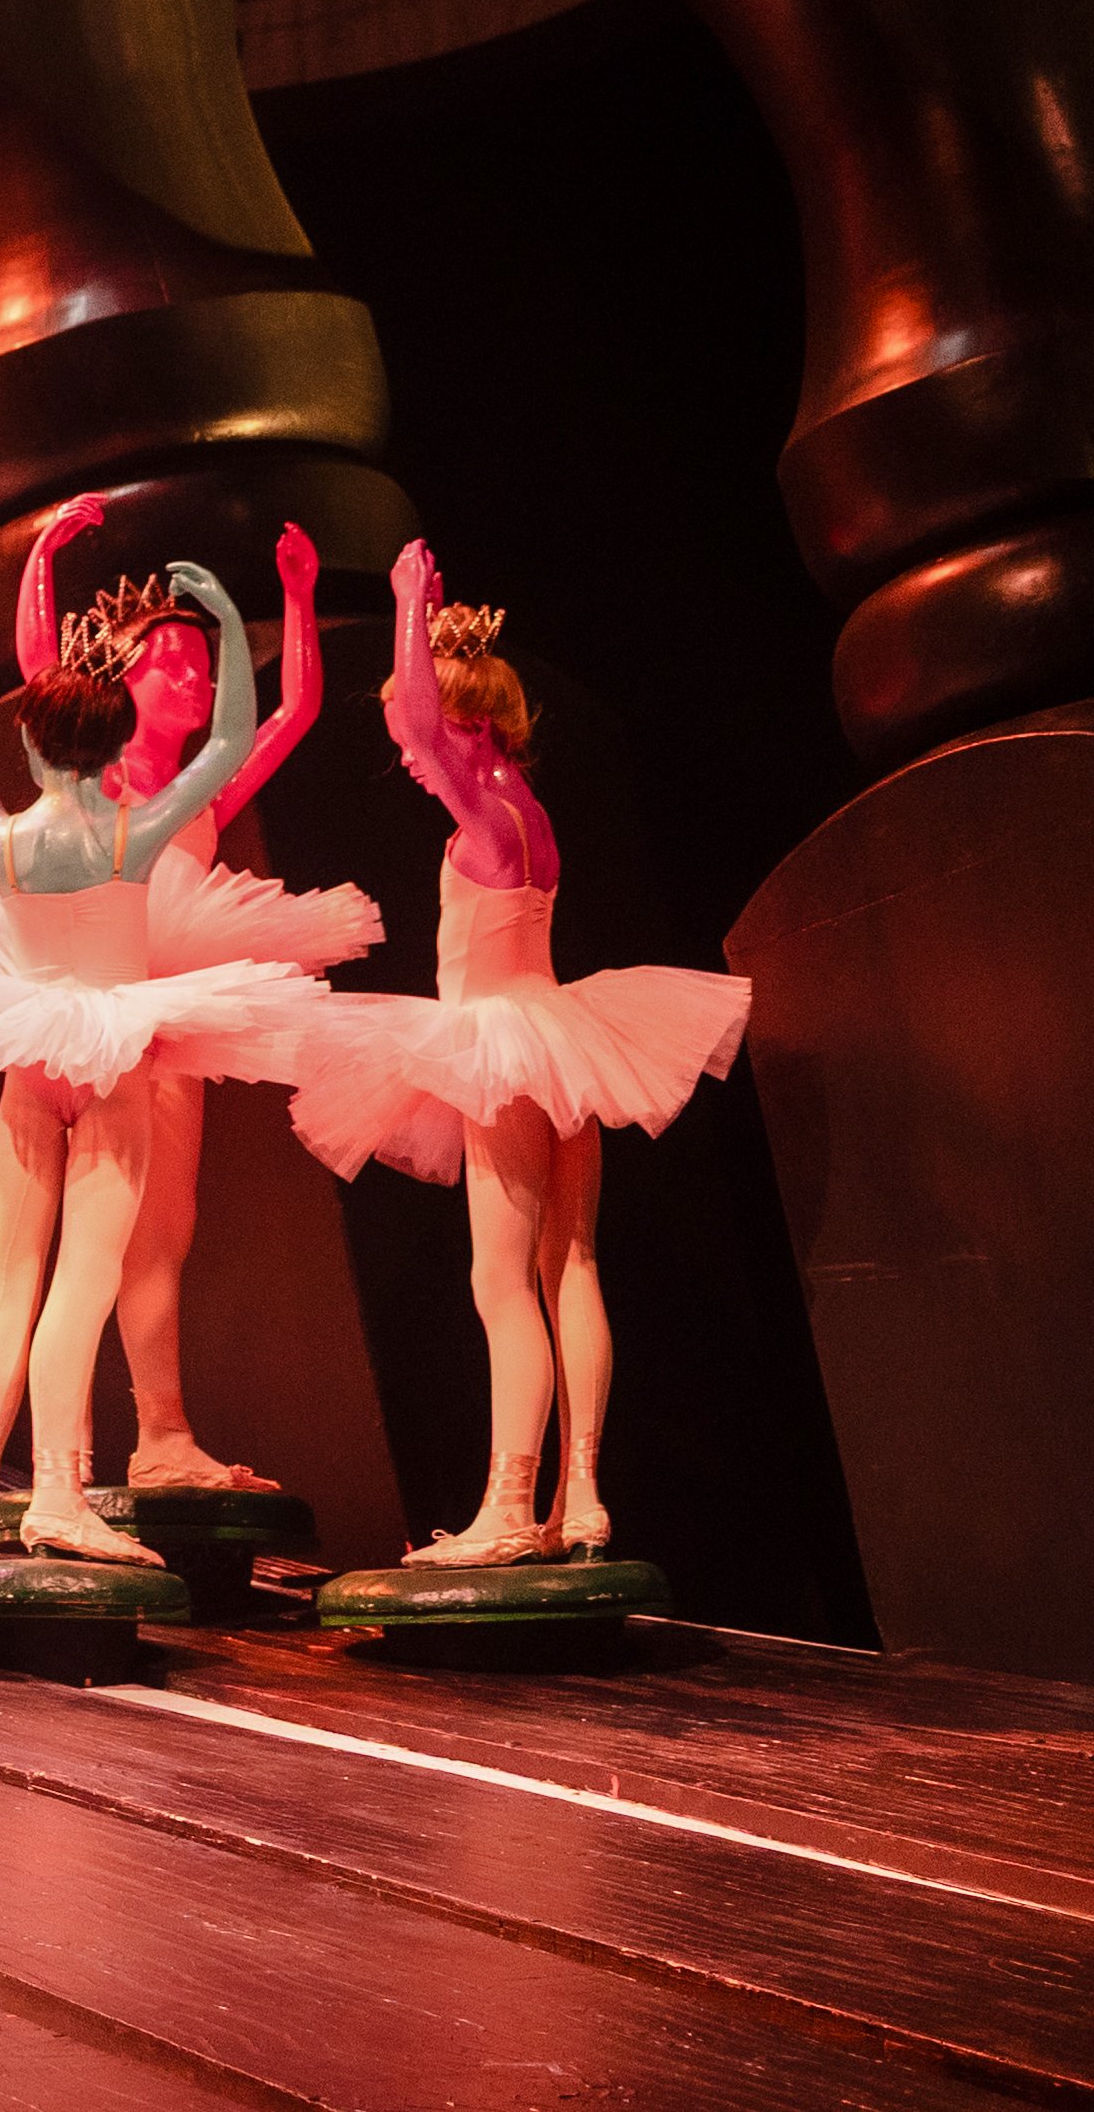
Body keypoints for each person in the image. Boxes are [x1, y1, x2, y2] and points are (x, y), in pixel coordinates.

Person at [0, 561, 369, 1565]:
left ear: (29, 742)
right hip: (114, 1066)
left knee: (8, 1292)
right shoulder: (140, 829)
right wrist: (220, 614)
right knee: (80, 1283)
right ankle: (59, 1498)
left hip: (33, 1063)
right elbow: (229, 749)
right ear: (115, 739)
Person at [288, 541, 753, 1564]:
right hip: (561, 1039)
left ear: (469, 724)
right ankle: (577, 1495)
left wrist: (409, 606)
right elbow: (418, 722)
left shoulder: (484, 815)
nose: (407, 752)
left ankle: (508, 1507)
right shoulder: (526, 813)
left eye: (421, 737)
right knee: (570, 1263)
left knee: (500, 1282)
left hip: (501, 1046)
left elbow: (415, 719)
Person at [8, 501, 326, 1499]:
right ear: (122, 676)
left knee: (164, 1225)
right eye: (171, 663)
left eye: (202, 664)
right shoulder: (98, 785)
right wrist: (41, 559)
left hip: (167, 1024)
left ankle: (161, 1433)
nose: (191, 678)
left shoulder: (203, 794)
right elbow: (36, 674)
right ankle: (60, 1457)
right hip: (83, 1017)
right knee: (60, 1245)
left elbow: (290, 715)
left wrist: (299, 601)